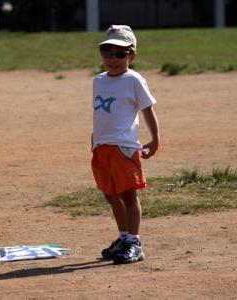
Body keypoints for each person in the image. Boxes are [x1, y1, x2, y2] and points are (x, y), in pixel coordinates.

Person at [91, 25, 160, 264]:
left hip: (124, 147)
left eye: (120, 54)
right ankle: (123, 237)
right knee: (110, 195)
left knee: (128, 195)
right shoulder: (98, 81)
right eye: (107, 53)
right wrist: (95, 141)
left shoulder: (134, 80)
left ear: (131, 55)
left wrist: (155, 139)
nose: (112, 59)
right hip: (101, 147)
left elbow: (147, 110)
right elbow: (100, 115)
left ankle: (134, 242)